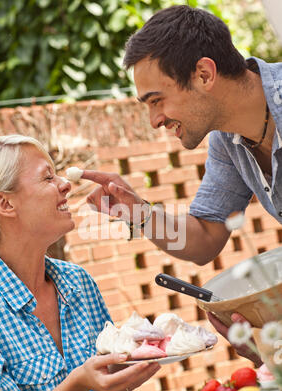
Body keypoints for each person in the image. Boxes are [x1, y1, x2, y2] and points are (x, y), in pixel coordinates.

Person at [78, 5, 278, 367]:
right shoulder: (227, 143)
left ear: (204, 74)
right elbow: (204, 237)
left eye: (157, 100)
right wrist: (137, 212)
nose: (155, 120)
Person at [0, 135, 160, 391]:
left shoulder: (79, 284)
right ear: (5, 203)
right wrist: (78, 383)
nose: (65, 184)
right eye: (48, 177)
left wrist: (117, 378)